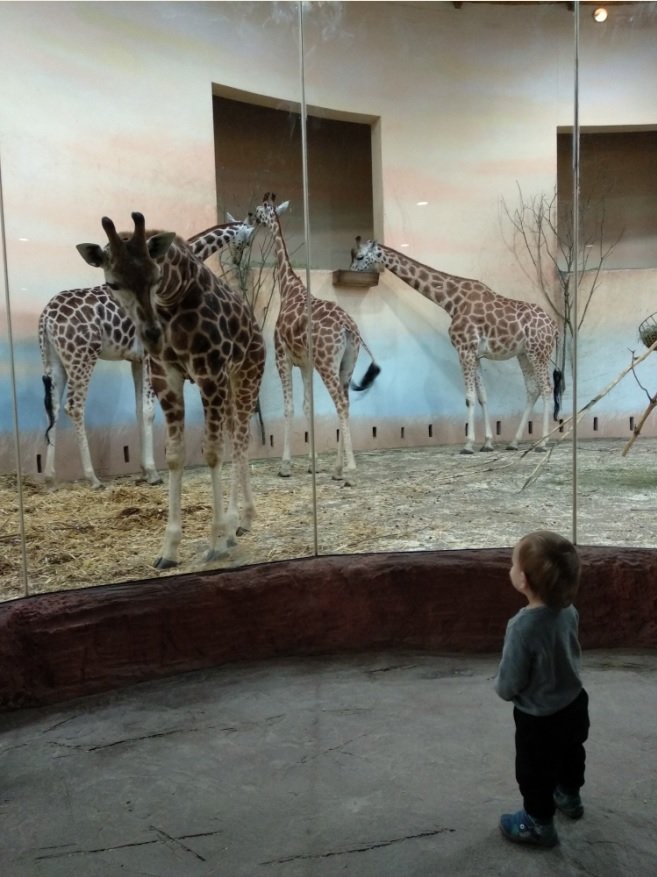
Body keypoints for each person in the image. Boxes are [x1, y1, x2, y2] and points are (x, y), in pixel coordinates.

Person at [494, 529, 590, 848]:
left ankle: (538, 823)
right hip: (575, 703)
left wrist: (503, 690)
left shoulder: (522, 627)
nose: (510, 569)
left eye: (512, 565)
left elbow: (510, 682)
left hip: (539, 717)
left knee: (534, 772)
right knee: (571, 753)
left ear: (523, 580)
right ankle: (569, 797)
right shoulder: (569, 610)